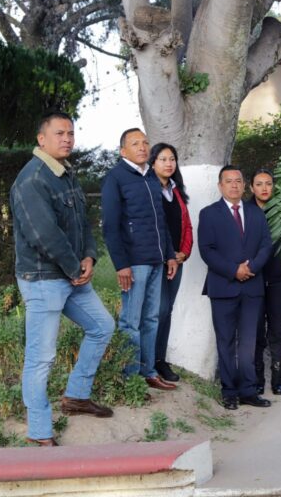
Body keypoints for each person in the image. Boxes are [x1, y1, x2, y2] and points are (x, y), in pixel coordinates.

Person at [10, 112, 115, 447]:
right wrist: (74, 268)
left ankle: (76, 396)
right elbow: (44, 235)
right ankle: (40, 431)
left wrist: (89, 257)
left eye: (71, 133)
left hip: (71, 275)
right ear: (41, 139)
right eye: (59, 133)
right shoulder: (32, 180)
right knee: (41, 357)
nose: (67, 139)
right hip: (44, 279)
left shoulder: (65, 174)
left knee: (102, 326)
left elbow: (83, 222)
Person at [102, 128, 178, 391]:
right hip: (134, 263)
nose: (143, 147)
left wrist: (169, 254)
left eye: (145, 142)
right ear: (123, 151)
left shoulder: (152, 178)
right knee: (130, 321)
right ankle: (130, 377)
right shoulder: (115, 178)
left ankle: (149, 372)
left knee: (151, 319)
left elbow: (161, 221)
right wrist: (121, 264)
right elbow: (110, 226)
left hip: (157, 260)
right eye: (135, 143)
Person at [199, 165, 273, 410]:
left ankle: (248, 391)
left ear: (244, 185)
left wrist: (251, 267)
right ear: (220, 186)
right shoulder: (209, 214)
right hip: (223, 287)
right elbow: (206, 250)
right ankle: (229, 391)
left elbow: (266, 246)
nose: (234, 185)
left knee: (249, 342)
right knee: (226, 342)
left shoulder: (256, 213)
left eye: (238, 181)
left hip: (252, 287)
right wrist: (234, 270)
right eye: (229, 181)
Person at [149, 143, 193, 383]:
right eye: (163, 159)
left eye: (172, 159)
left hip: (177, 260)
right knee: (158, 310)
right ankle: (148, 362)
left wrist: (184, 252)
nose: (168, 163)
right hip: (157, 260)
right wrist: (167, 255)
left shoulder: (176, 191)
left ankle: (159, 360)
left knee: (167, 311)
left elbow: (187, 225)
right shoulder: (148, 188)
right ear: (153, 162)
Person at [250, 169, 281, 396]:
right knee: (256, 331)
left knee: (277, 330)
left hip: (279, 279)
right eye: (259, 184)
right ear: (251, 188)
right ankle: (258, 379)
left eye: (268, 183)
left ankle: (277, 379)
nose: (264, 188)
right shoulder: (245, 211)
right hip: (253, 280)